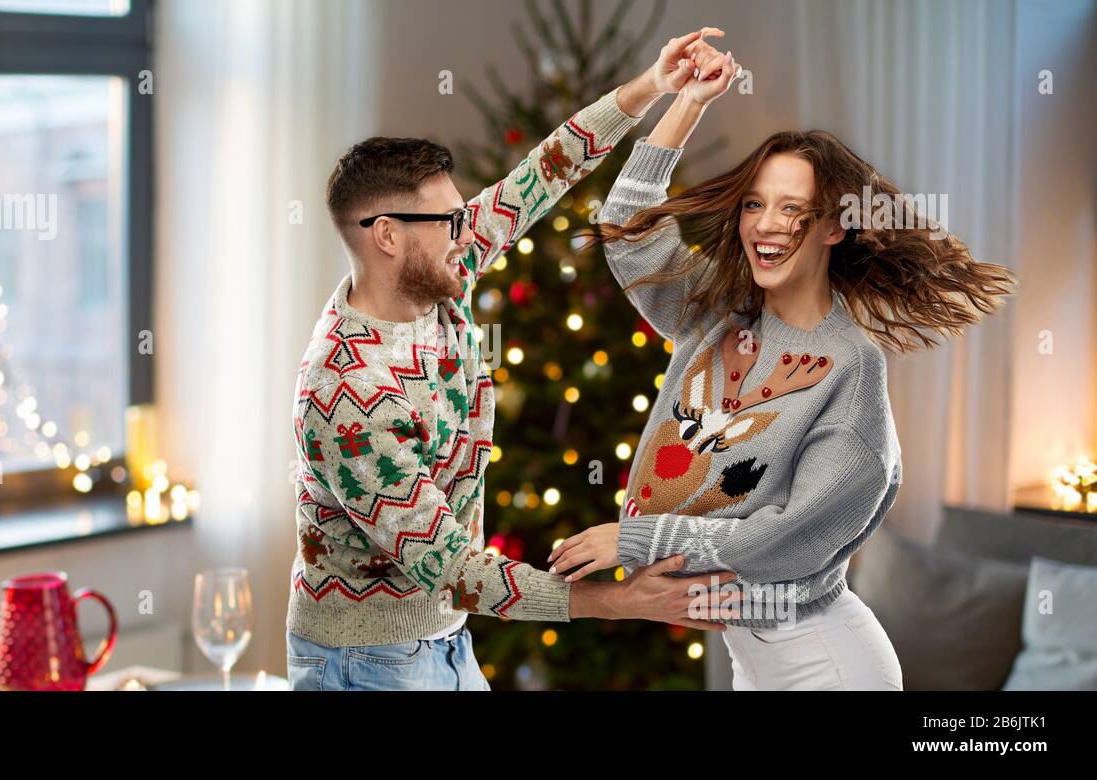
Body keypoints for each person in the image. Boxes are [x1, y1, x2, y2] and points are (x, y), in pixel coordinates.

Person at [549, 36, 1015, 690]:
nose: (766, 226)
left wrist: (633, 541)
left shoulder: (852, 370)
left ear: (834, 228)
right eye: (755, 203)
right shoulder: (717, 313)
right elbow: (627, 227)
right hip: (755, 660)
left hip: (826, 663)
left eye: (794, 210)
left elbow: (786, 540)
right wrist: (687, 103)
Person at [287, 29, 742, 691]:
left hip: (441, 639)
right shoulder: (346, 393)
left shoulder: (443, 268)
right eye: (446, 221)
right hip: (366, 662)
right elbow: (453, 569)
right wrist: (622, 601)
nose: (464, 231)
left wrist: (657, 86)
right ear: (385, 235)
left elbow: (545, 171)